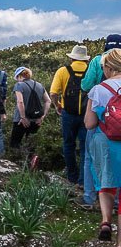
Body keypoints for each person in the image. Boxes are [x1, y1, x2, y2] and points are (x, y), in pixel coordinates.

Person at [83, 48, 121, 247]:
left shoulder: (98, 89)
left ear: (108, 67)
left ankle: (106, 220)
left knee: (106, 181)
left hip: (104, 140)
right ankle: (120, 244)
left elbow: (89, 123)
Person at [50, 45, 91, 185]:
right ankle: (84, 180)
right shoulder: (90, 71)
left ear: (72, 57)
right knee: (85, 147)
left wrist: (57, 105)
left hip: (68, 114)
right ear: (85, 59)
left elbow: (53, 93)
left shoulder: (63, 71)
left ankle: (72, 178)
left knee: (69, 145)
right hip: (87, 114)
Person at [10, 67, 51, 155]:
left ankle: (17, 166)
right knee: (32, 146)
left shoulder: (19, 85)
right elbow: (48, 101)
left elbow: (20, 102)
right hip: (36, 120)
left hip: (21, 120)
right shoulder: (39, 85)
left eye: (17, 78)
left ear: (20, 76)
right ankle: (32, 166)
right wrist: (42, 116)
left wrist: (23, 117)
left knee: (15, 145)